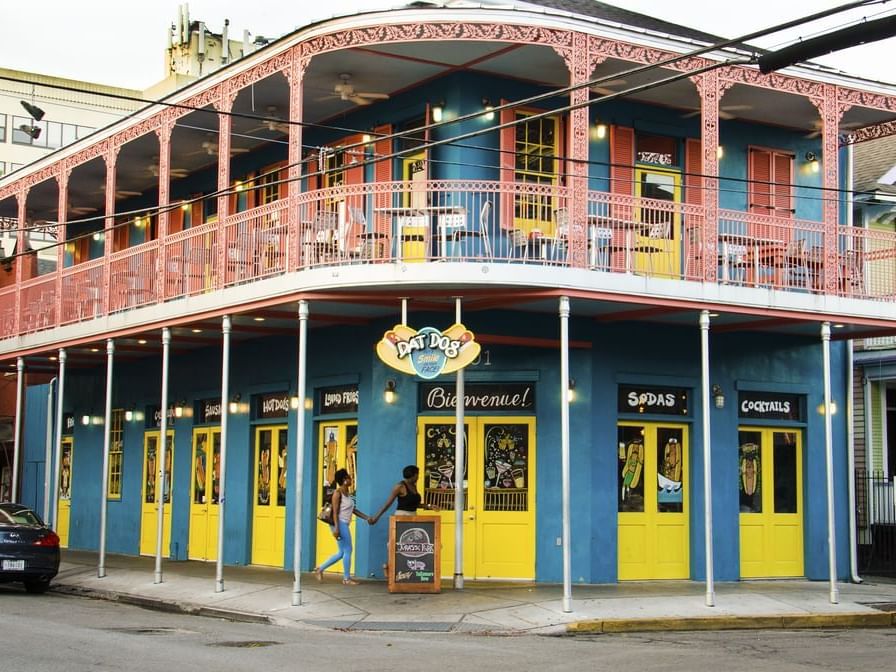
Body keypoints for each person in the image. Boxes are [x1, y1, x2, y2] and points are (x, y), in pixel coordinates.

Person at [314, 468, 372, 585]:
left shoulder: (347, 494)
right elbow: (335, 512)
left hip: (343, 523)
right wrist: (336, 528)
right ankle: (346, 579)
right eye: (349, 477)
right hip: (339, 523)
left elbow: (353, 510)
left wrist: (367, 518)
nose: (351, 479)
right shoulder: (337, 493)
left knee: (342, 552)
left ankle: (320, 569)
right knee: (348, 550)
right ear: (344, 480)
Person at [369, 464, 439, 525]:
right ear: (414, 475)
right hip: (401, 517)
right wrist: (376, 518)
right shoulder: (400, 486)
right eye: (417, 474)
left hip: (413, 516)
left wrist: (429, 506)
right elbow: (387, 504)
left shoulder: (413, 486)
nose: (418, 477)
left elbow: (414, 504)